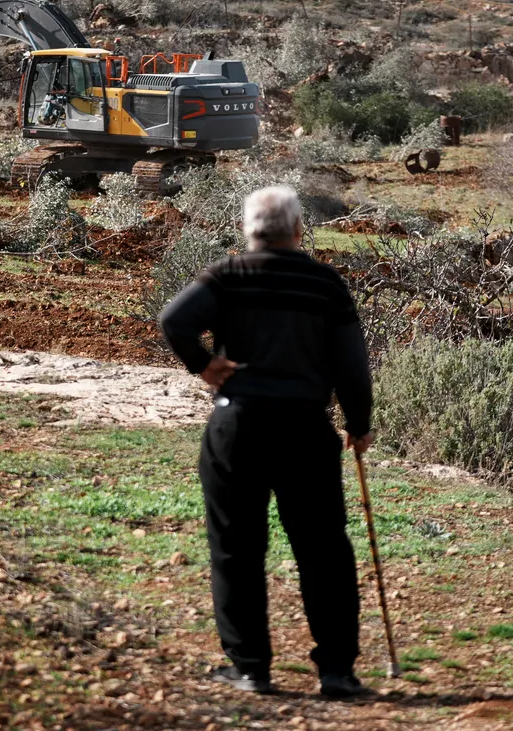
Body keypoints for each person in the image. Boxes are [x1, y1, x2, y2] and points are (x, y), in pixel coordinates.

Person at [160, 185, 374, 699]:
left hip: (238, 426)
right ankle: (337, 672)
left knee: (235, 548)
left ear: (248, 230)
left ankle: (251, 668)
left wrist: (203, 365)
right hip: (305, 428)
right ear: (299, 230)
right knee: (324, 549)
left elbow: (173, 320)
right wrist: (358, 424)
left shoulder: (229, 275)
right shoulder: (326, 284)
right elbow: (351, 364)